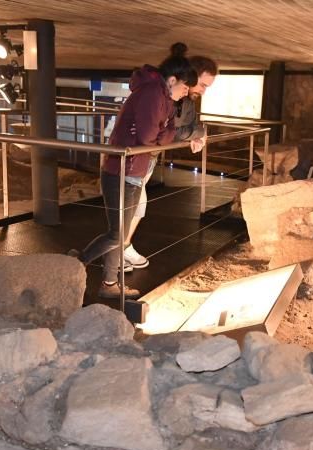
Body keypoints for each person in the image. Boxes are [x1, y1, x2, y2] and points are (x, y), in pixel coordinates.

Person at [77, 50, 197, 299]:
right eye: (186, 86)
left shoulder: (162, 97)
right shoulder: (153, 93)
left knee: (118, 232)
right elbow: (148, 140)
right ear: (173, 79)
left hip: (131, 169)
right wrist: (164, 133)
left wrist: (164, 132)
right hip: (123, 170)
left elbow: (166, 131)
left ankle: (108, 283)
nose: (187, 92)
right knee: (117, 233)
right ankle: (79, 261)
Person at [119, 45, 218, 273]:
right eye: (202, 84)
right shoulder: (164, 97)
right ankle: (114, 255)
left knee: (137, 207)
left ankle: (122, 248)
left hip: (147, 158)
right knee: (131, 207)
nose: (203, 91)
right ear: (187, 77)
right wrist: (198, 133)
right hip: (134, 158)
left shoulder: (184, 101)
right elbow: (169, 131)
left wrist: (195, 132)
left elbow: (184, 128)